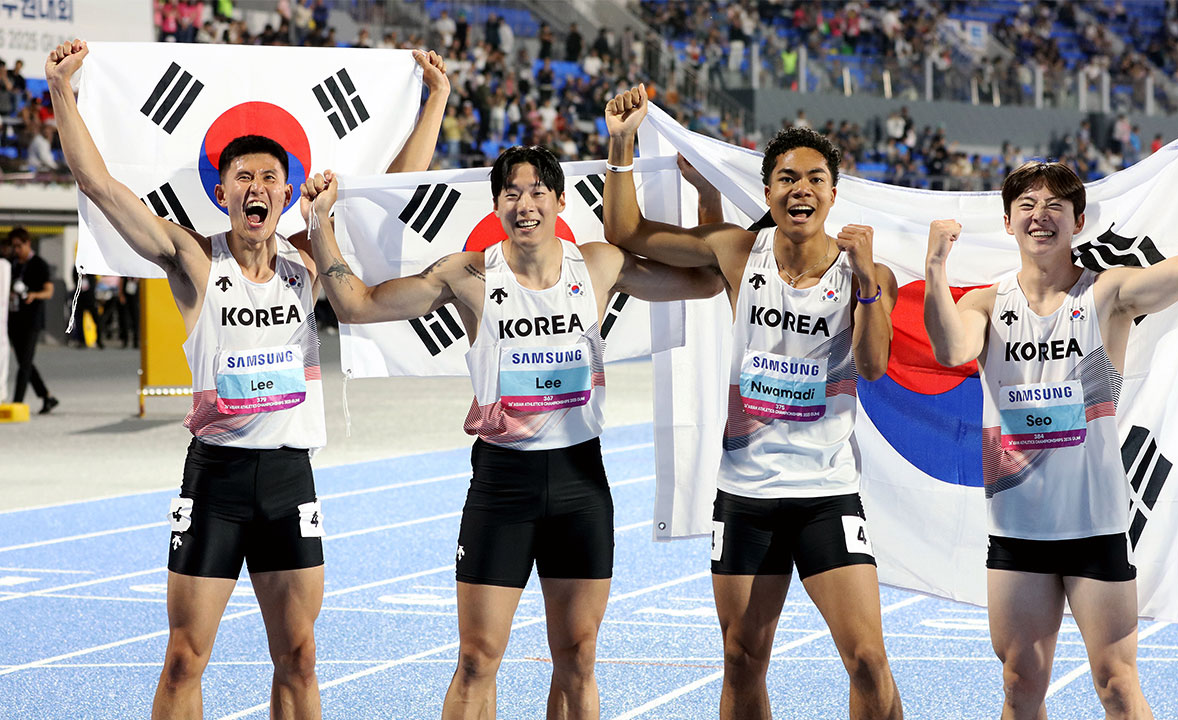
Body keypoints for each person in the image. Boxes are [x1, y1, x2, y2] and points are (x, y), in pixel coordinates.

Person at [47, 39, 451, 719]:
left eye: (269, 176)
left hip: (290, 478)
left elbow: (391, 193)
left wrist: (435, 97)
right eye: (242, 176)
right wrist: (62, 89)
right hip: (216, 481)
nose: (256, 186)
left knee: (298, 657)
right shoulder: (193, 260)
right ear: (222, 189)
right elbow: (101, 188)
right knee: (183, 658)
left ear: (287, 191)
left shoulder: (306, 261)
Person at [300, 144, 721, 720]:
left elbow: (706, 282)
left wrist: (707, 192)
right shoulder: (468, 273)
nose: (524, 205)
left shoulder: (597, 264)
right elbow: (356, 306)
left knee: (578, 657)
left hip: (580, 484)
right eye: (511, 194)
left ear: (560, 201)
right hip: (503, 486)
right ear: (496, 204)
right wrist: (319, 221)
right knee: (477, 659)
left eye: (537, 193)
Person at [603, 85, 903, 720]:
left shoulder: (869, 276)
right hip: (746, 496)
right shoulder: (738, 252)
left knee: (869, 661)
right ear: (767, 193)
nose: (801, 188)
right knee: (741, 659)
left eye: (815, 179)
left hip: (827, 494)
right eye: (787, 178)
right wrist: (621, 142)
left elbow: (874, 366)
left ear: (832, 193)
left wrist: (868, 276)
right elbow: (626, 232)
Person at [921, 133, 1178, 720]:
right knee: (1020, 684)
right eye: (1027, 207)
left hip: (1095, 525)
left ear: (1078, 221)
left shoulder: (1106, 294)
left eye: (1055, 207)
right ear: (1009, 222)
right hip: (1018, 530)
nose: (1041, 217)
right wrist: (936, 269)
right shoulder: (986, 305)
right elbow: (950, 348)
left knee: (1116, 683)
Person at [2, 227, 58, 414]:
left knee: (25, 363)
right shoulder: (12, 264)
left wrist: (34, 294)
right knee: (24, 362)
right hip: (14, 318)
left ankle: (17, 402)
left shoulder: (39, 264)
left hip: (32, 321)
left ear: (27, 243)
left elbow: (49, 291)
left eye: (19, 246)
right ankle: (47, 396)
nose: (16, 250)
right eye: (13, 246)